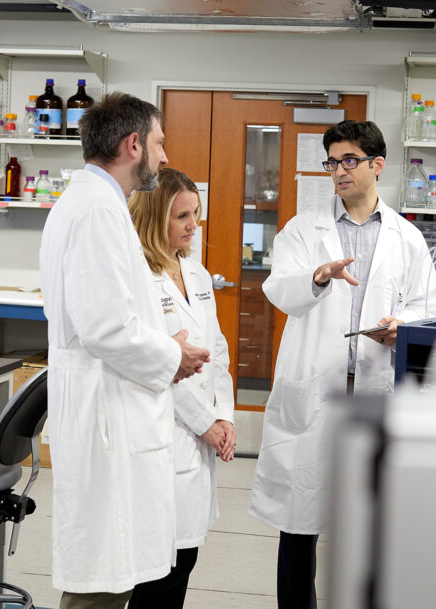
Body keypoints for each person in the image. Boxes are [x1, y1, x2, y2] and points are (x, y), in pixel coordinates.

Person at [249, 120, 436, 609]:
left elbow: (426, 304)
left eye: (349, 160)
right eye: (332, 161)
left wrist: (402, 324)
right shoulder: (303, 229)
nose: (338, 171)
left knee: (371, 522)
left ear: (377, 165)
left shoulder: (406, 237)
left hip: (373, 388)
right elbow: (279, 289)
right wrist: (316, 276)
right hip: (315, 389)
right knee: (300, 519)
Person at [39, 92, 212, 609]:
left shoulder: (94, 205)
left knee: (110, 571)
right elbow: (105, 327)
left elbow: (112, 316)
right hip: (106, 416)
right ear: (133, 144)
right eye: (159, 143)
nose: (164, 156)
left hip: (108, 408)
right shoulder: (97, 212)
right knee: (103, 581)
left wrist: (162, 345)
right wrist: (170, 356)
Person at [126, 168, 237, 609]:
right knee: (159, 570)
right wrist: (205, 421)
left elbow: (218, 350)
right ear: (155, 219)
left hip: (199, 437)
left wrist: (225, 415)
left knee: (184, 559)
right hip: (162, 432)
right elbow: (156, 364)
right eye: (182, 217)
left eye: (197, 214)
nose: (194, 226)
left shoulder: (196, 272)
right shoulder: (138, 278)